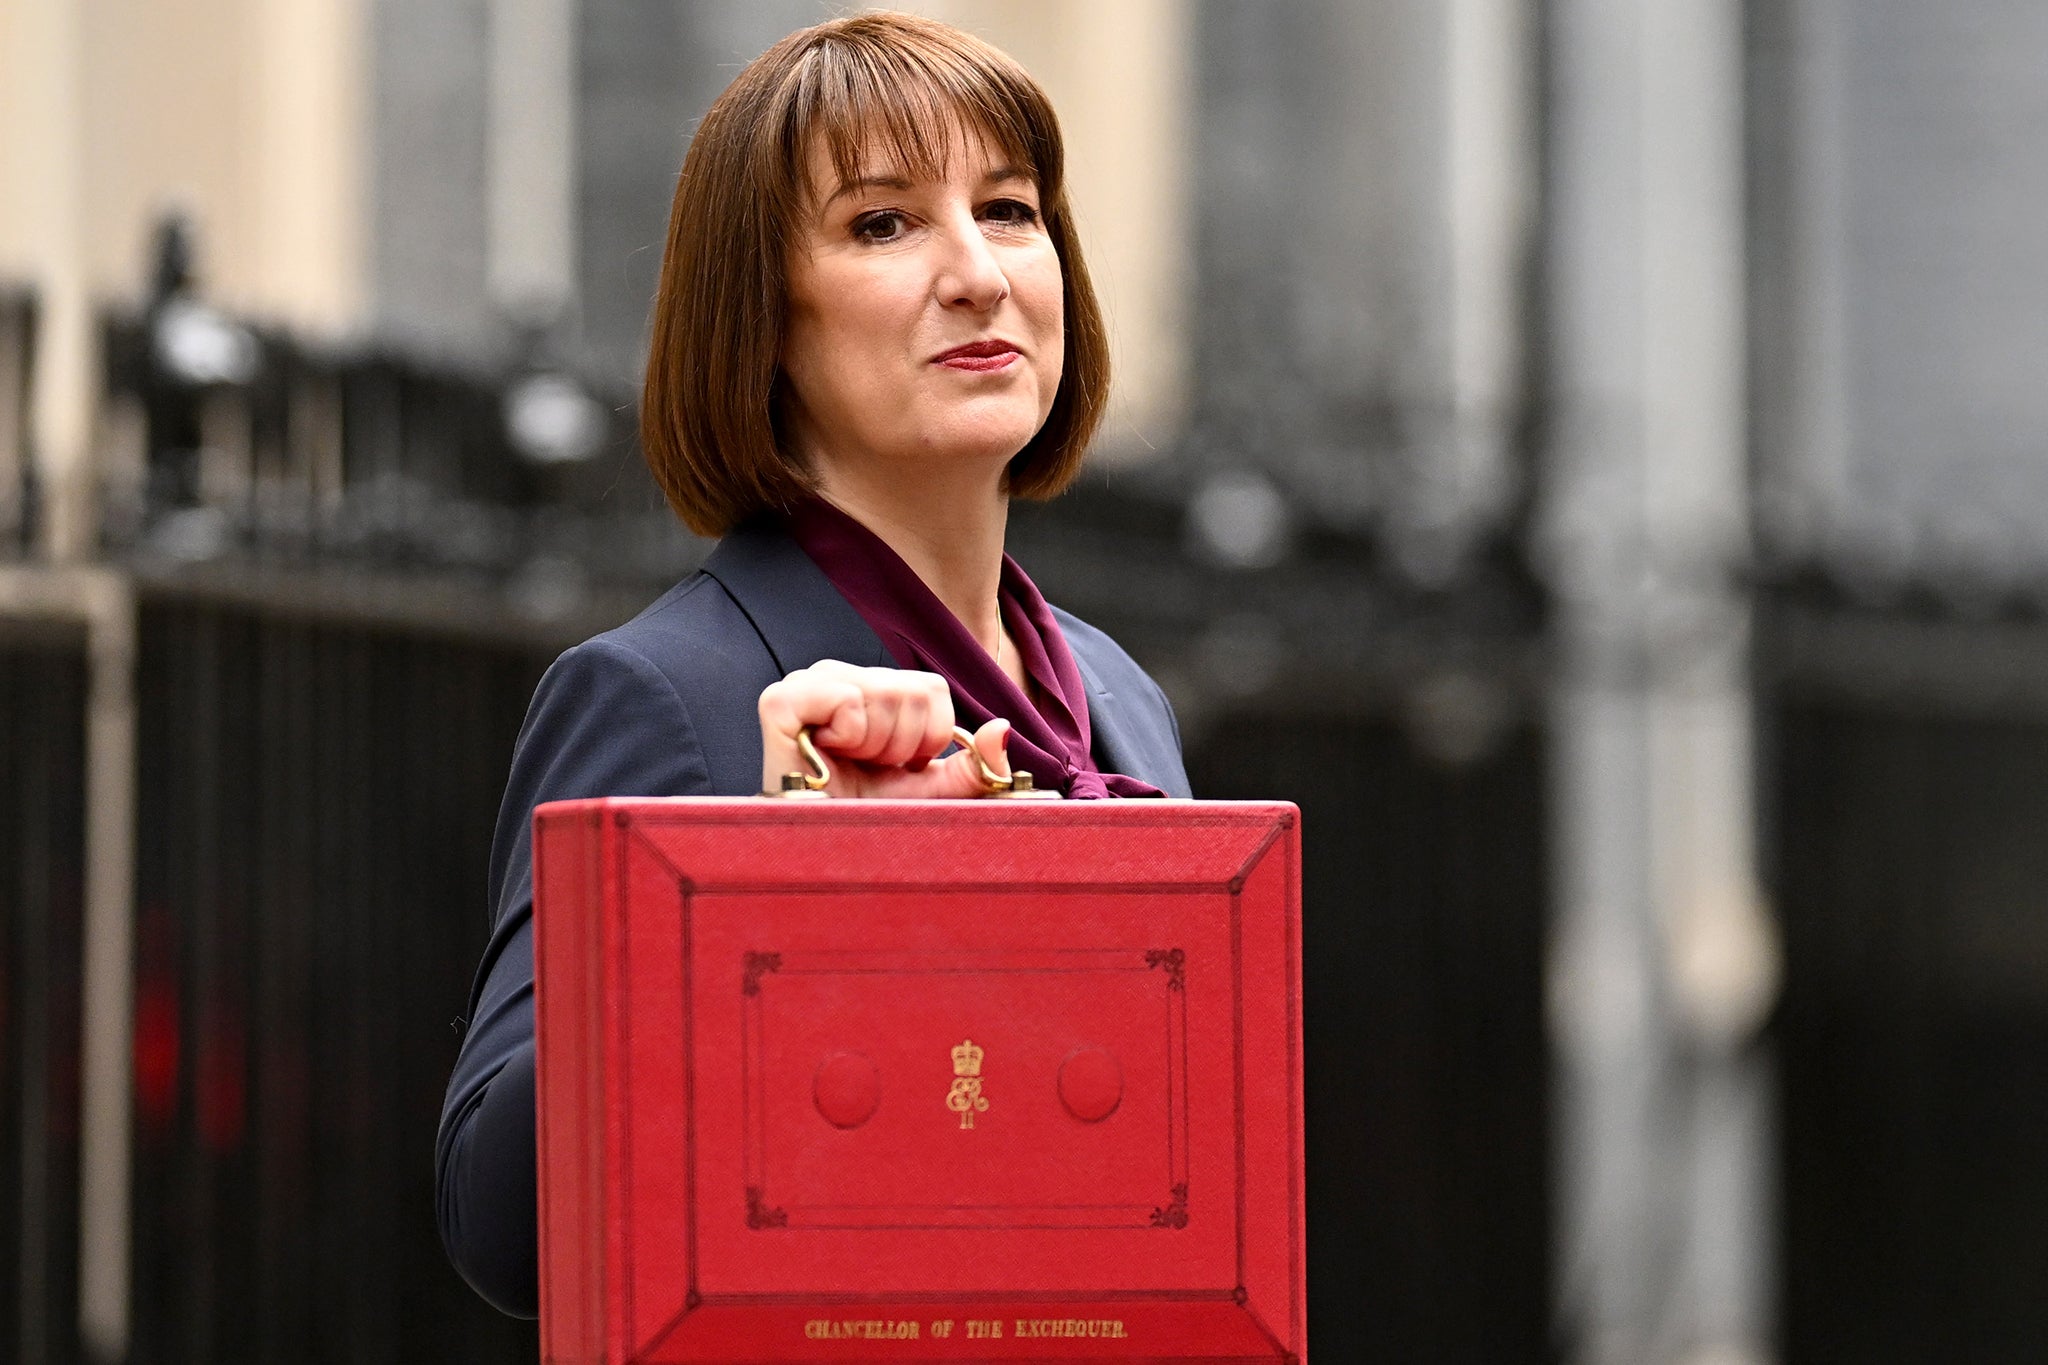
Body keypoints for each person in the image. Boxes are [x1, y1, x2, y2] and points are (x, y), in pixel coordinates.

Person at [435, 12, 1192, 1318]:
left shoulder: (1121, 697)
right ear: (763, 322)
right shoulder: (663, 694)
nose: (979, 273)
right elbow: (501, 1223)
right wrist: (785, 880)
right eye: (883, 224)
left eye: (1009, 209)